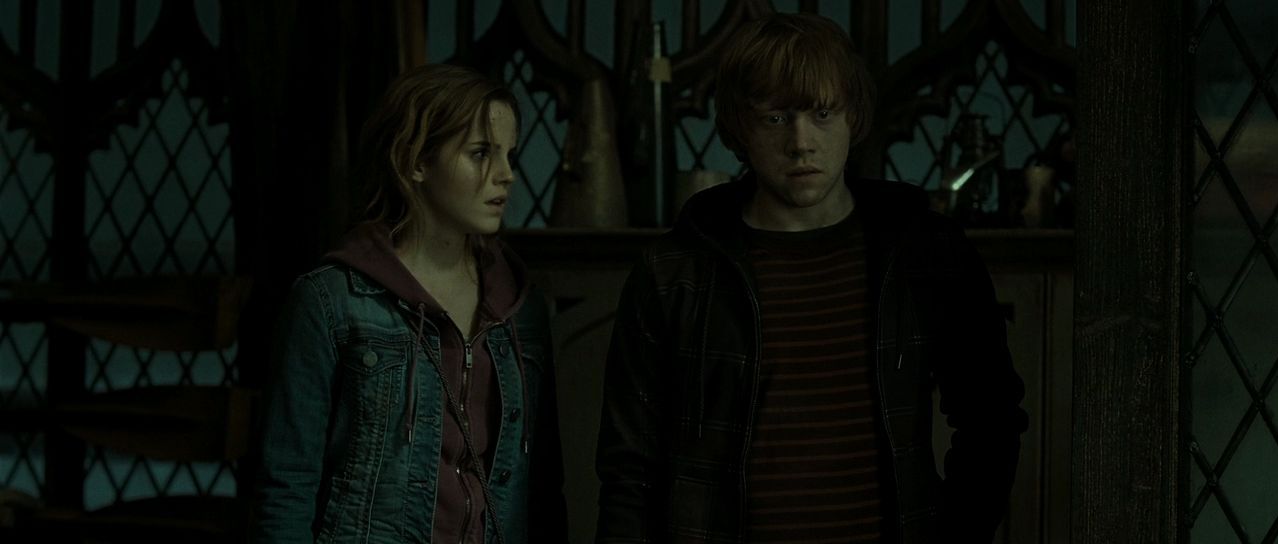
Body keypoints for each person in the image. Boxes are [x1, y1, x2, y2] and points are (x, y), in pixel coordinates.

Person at [595, 13, 1027, 543]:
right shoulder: (674, 273)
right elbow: (629, 470)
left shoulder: (925, 255)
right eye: (775, 118)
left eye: (823, 114)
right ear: (741, 128)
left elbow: (991, 418)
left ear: (852, 116)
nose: (801, 142)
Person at [253, 64, 567, 544]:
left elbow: (542, 490)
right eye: (481, 153)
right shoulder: (332, 301)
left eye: (509, 155)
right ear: (416, 161)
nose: (506, 175)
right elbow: (286, 487)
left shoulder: (520, 308)